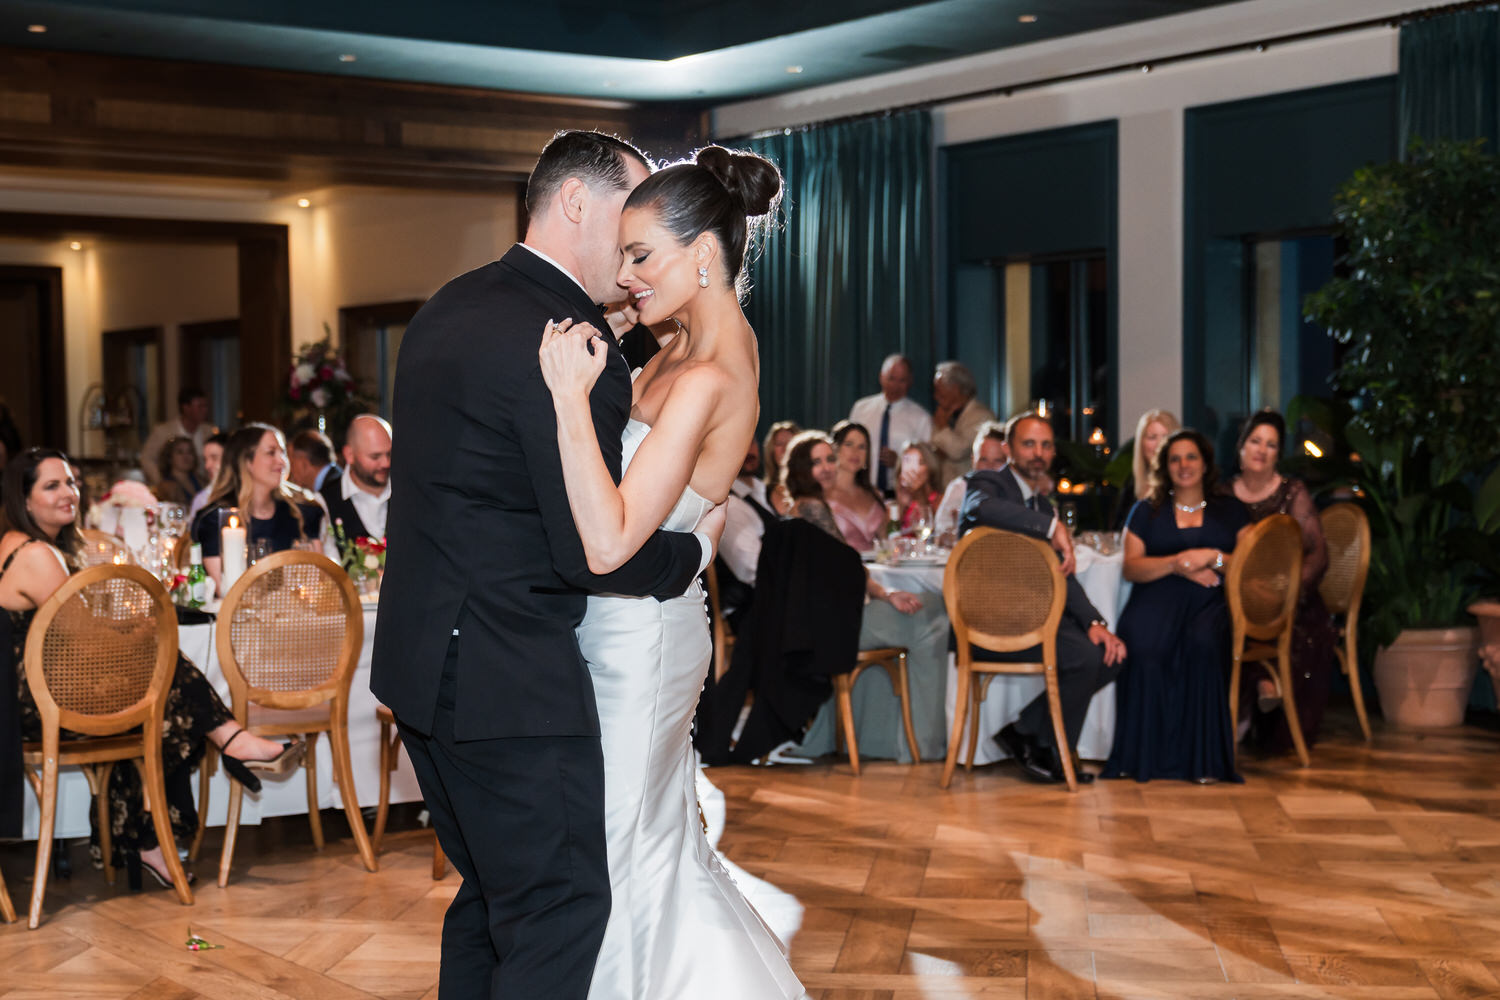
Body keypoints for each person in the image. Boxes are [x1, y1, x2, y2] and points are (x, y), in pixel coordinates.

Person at [370, 130, 714, 1000]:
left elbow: (482, 480)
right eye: (628, 224)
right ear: (574, 204)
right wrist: (691, 553)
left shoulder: (448, 308)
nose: (635, 258)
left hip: (422, 672)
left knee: (489, 901)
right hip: (508, 679)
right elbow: (590, 550)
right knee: (557, 912)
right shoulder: (567, 347)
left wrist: (618, 349)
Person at [537, 143, 805, 1000]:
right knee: (644, 841)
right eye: (621, 256)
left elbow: (611, 540)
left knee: (616, 845)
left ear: (704, 254)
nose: (624, 277)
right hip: (637, 623)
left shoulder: (703, 379)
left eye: (641, 256)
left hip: (640, 637)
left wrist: (571, 400)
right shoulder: (695, 345)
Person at [0, 448, 300, 887]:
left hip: (44, 689)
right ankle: (227, 745)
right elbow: (86, 638)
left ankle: (151, 836)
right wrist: (145, 628)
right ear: (24, 500)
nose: (70, 492)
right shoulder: (33, 555)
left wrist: (137, 628)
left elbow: (77, 635)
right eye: (52, 485)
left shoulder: (30, 545)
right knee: (164, 682)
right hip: (36, 703)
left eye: (71, 481)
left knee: (162, 693)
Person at [959, 412, 1126, 784]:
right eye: (1028, 444)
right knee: (1084, 655)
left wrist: (1095, 623)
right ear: (1008, 449)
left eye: (1046, 445)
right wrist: (1052, 527)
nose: (1038, 453)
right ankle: (1048, 749)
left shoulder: (1042, 504)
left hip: (1034, 616)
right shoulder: (989, 483)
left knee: (1110, 654)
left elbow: (1063, 577)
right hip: (989, 623)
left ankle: (1029, 736)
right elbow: (980, 509)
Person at [1103, 429, 1251, 783]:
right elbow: (1131, 567)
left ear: (1205, 464)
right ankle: (1142, 759)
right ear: (1164, 467)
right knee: (1142, 646)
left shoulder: (1230, 510)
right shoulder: (1145, 511)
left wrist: (1211, 557)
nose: (1183, 465)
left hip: (1210, 601)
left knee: (1202, 644)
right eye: (1174, 459)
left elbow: (1250, 564)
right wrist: (1177, 564)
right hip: (1156, 596)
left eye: (1191, 457)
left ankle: (1203, 761)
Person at [1228, 409, 1335, 752]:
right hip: (1233, 596)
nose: (1261, 449)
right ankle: (1241, 704)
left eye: (1271, 444)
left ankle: (1259, 701)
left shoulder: (1293, 492)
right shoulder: (1221, 494)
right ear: (1241, 447)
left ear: (1278, 453)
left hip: (1290, 601)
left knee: (1277, 625)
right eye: (1255, 441)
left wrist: (1285, 592)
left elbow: (1318, 554)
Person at [191, 424, 326, 591]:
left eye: (282, 453)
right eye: (271, 453)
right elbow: (226, 591)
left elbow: (319, 579)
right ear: (246, 462)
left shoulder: (301, 512)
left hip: (297, 613)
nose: (282, 461)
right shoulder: (214, 520)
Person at [849, 354, 933, 497]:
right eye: (891, 378)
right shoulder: (861, 409)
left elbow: (928, 461)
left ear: (910, 381)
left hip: (900, 493)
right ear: (881, 377)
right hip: (862, 489)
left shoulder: (921, 418)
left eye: (902, 380)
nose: (895, 386)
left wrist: (899, 462)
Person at [719, 438, 773, 631]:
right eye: (741, 441)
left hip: (778, 598)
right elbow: (754, 568)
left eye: (752, 442)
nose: (749, 450)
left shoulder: (767, 491)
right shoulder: (728, 503)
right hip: (752, 610)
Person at [321, 414, 392, 542]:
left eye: (390, 454)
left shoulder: (409, 493)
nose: (385, 463)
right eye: (375, 457)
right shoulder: (323, 502)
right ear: (349, 455)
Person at [935, 421, 1008, 544]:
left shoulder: (1017, 490)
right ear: (973, 460)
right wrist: (955, 530)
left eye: (998, 461)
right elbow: (940, 533)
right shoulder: (959, 487)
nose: (989, 467)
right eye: (983, 460)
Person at [1112, 408, 1181, 528]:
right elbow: (1119, 530)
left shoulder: (1186, 484)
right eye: (1152, 437)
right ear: (1141, 444)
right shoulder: (1131, 485)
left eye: (1165, 437)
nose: (1159, 444)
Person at [930, 361, 996, 487]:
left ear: (955, 389)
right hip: (945, 487)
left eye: (939, 389)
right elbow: (934, 450)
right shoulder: (944, 413)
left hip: (970, 487)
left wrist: (943, 427)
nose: (935, 396)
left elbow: (958, 452)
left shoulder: (982, 416)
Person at [824, 420, 887, 552]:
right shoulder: (822, 493)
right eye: (849, 444)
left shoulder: (875, 495)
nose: (855, 452)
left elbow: (886, 543)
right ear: (835, 448)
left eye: (862, 447)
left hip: (874, 570)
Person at [140, 386, 216, 485]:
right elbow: (146, 459)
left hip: (201, 486)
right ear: (186, 408)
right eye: (200, 406)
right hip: (172, 488)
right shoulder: (163, 431)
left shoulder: (209, 431)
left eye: (205, 406)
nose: (204, 410)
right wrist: (161, 481)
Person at [895, 440, 943, 531]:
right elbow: (888, 537)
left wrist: (920, 496)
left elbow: (933, 533)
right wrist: (901, 506)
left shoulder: (940, 501)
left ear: (930, 467)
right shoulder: (898, 503)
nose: (912, 468)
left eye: (920, 462)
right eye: (907, 461)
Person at [187, 430, 228, 524]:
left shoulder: (248, 494)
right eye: (205, 459)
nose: (207, 465)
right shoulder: (202, 500)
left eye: (214, 458)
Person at [762, 419, 799, 514]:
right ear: (771, 451)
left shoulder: (813, 488)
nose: (785, 448)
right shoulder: (761, 492)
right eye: (779, 444)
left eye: (790, 443)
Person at [152, 436, 202, 506]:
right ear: (169, 458)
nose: (186, 456)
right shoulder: (167, 486)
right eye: (180, 452)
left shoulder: (201, 480)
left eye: (190, 452)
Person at [287, 429, 338, 493]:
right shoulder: (336, 483)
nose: (290, 471)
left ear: (303, 463)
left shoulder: (330, 494)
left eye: (292, 463)